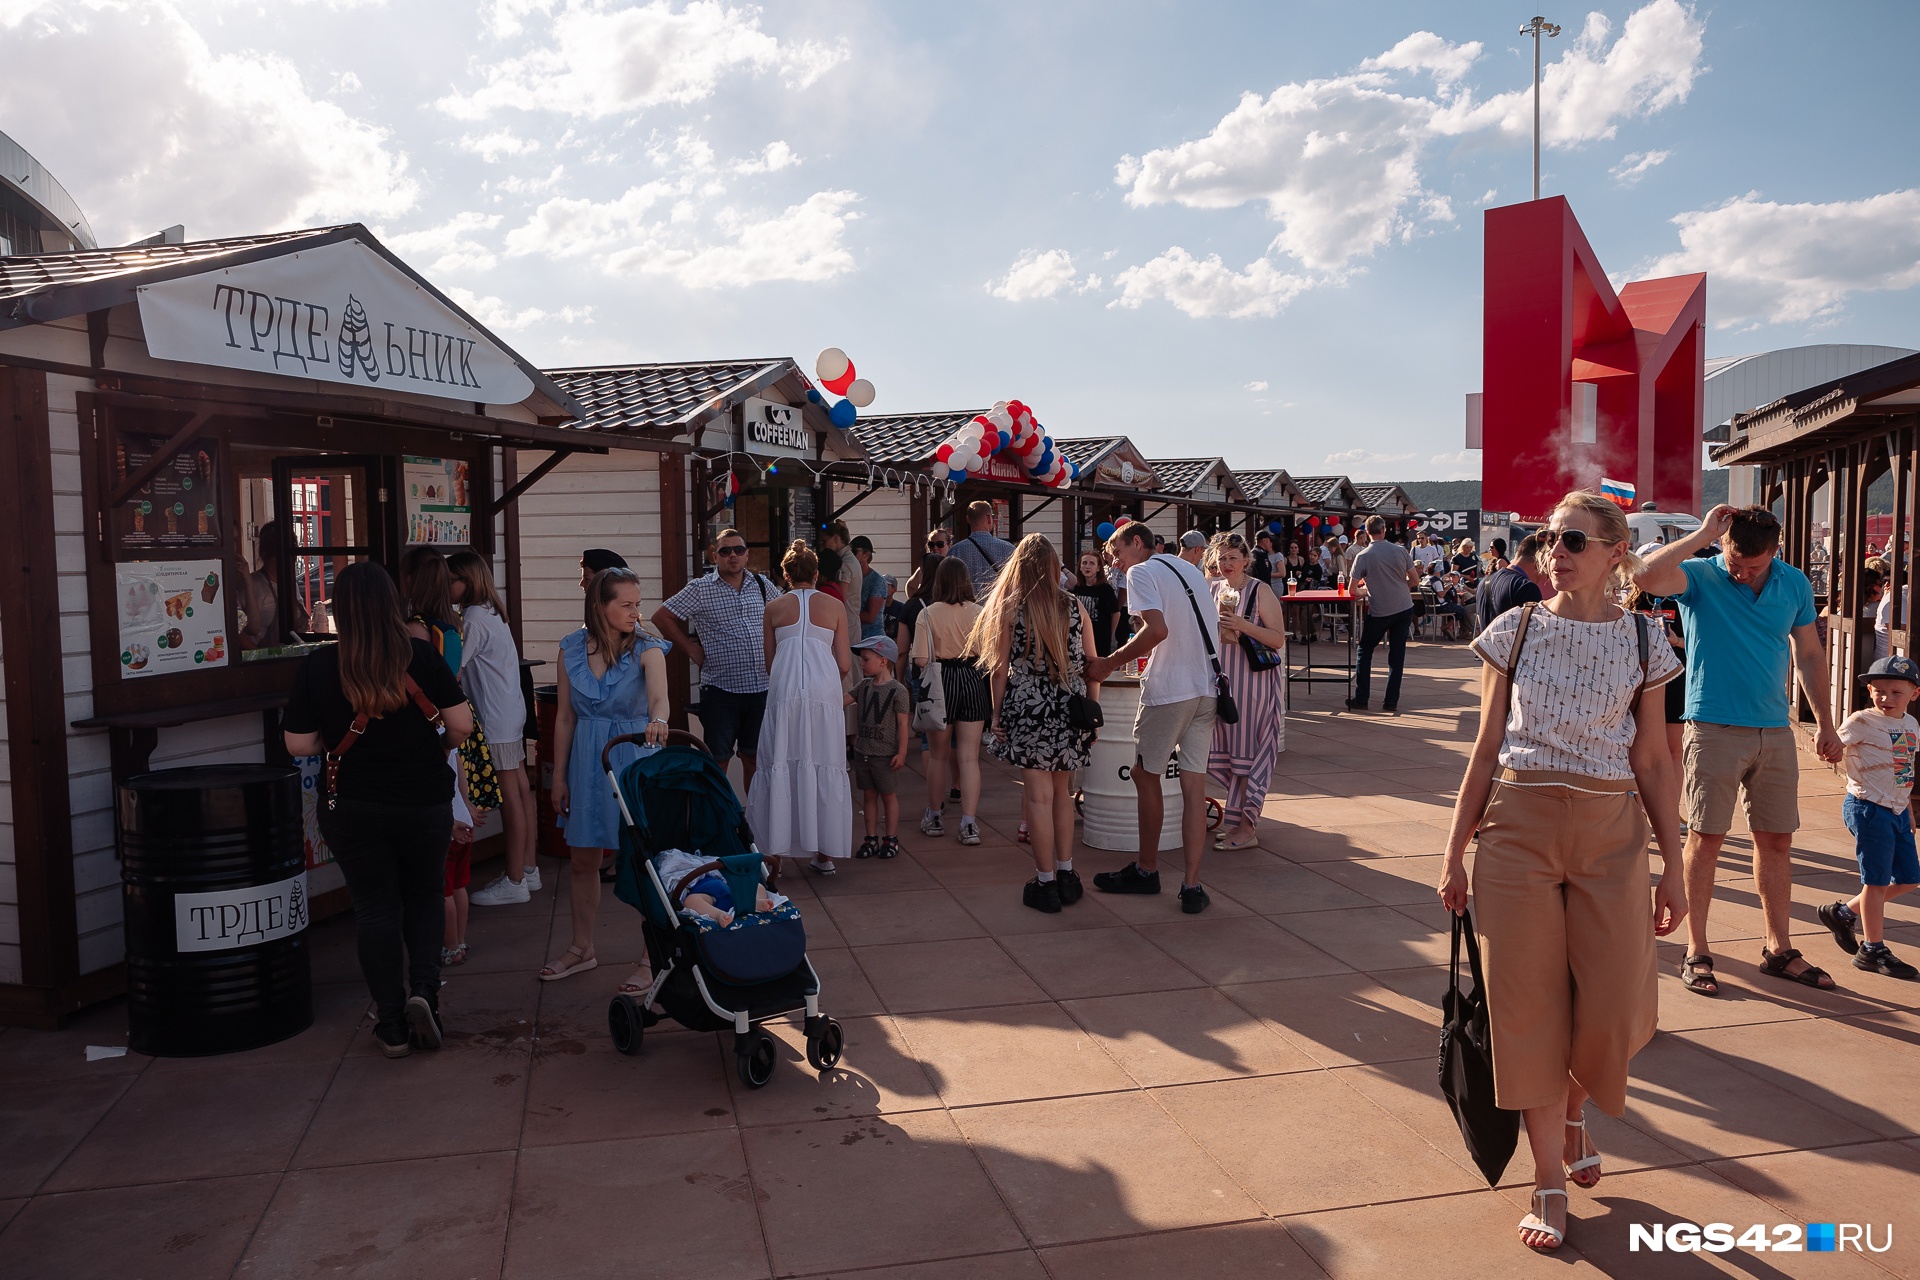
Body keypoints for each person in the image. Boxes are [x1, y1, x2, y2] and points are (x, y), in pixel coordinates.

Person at [1438, 490, 1685, 1253]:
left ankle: (1575, 1110)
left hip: (1612, 830)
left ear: (1616, 553)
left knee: (1612, 1002)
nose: (1556, 551)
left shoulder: (1647, 642)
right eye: (1548, 538)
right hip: (1517, 826)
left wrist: (1673, 866)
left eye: (1573, 539)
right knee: (1524, 1006)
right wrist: (1454, 848)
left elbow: (1652, 759)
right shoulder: (1512, 631)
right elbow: (1484, 749)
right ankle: (1547, 1177)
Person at [1633, 504, 1844, 997]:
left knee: (1776, 840)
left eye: (1753, 566)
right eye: (1735, 560)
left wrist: (1826, 724)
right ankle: (1697, 948)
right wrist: (1704, 534)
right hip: (1712, 728)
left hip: (1774, 729)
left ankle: (1778, 947)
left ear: (1776, 552)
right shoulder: (1701, 574)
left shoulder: (1792, 583)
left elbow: (1810, 654)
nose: (1741, 572)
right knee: (1706, 838)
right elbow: (1644, 575)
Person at [281, 563, 473, 1058]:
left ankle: (390, 1025)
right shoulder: (421, 655)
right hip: (424, 799)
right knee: (426, 895)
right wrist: (435, 746)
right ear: (391, 603)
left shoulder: (319, 665)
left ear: (340, 611)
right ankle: (424, 993)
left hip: (352, 805)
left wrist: (336, 739)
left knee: (374, 909)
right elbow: (462, 725)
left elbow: (299, 744)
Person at [1086, 521, 1221, 913]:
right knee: (1194, 786)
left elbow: (1156, 629)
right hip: (1207, 687)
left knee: (1147, 775)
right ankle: (1192, 885)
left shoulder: (1142, 571)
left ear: (1138, 543)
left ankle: (1147, 871)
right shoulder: (1188, 569)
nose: (1112, 557)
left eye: (1115, 548)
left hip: (1171, 689)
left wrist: (1109, 662)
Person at [546, 567, 671, 981]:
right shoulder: (571, 649)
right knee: (583, 860)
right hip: (587, 760)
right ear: (600, 606)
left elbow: (659, 701)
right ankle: (582, 948)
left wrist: (657, 720)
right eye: (626, 605)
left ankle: (651, 957)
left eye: (638, 604)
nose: (637, 612)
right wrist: (558, 777)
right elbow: (564, 718)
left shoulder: (649, 648)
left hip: (632, 757)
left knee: (643, 861)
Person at [972, 534, 1099, 912]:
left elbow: (997, 670)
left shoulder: (1011, 608)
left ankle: (1045, 883)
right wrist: (1093, 714)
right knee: (1062, 794)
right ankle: (1067, 873)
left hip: (1028, 709)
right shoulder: (1075, 605)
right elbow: (1093, 666)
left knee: (1037, 798)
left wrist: (995, 715)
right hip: (1070, 708)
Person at [748, 540, 853, 876]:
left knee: (781, 759)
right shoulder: (834, 606)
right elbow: (845, 664)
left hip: (785, 689)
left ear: (786, 574)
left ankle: (774, 852)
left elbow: (769, 662)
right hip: (824, 692)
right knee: (824, 760)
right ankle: (824, 853)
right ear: (817, 573)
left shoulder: (774, 607)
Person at [652, 528, 782, 794]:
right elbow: (661, 617)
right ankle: (718, 824)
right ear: (715, 556)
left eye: (738, 550)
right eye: (725, 551)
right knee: (716, 761)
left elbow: (784, 617)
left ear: (747, 555)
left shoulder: (761, 584)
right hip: (721, 691)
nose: (732, 556)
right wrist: (690, 648)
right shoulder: (700, 588)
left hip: (761, 688)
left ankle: (752, 825)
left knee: (754, 759)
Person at [1814, 655, 1920, 980]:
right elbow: (1834, 744)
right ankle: (1872, 949)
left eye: (1895, 692)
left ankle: (1843, 912)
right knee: (1875, 882)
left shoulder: (1911, 725)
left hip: (1898, 811)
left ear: (1914, 694)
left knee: (1908, 879)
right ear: (1870, 690)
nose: (1886, 698)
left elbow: (1905, 772)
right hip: (1868, 807)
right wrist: (1830, 748)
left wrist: (1910, 813)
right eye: (1879, 691)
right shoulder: (1861, 720)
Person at [450, 551, 540, 910]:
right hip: (510, 711)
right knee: (520, 788)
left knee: (510, 797)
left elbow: (453, 669)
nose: (446, 587)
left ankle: (515, 879)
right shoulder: (491, 610)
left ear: (466, 582)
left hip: (494, 715)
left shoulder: (472, 617)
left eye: (450, 580)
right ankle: (528, 869)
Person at [1206, 533, 1287, 850]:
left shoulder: (1259, 590)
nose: (1226, 563)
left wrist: (1241, 624)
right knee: (1229, 754)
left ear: (1245, 560)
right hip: (1224, 683)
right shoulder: (1214, 588)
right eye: (1221, 557)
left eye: (1232, 557)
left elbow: (1277, 638)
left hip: (1254, 685)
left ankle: (1248, 828)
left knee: (1249, 755)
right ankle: (1236, 822)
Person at [911, 557, 989, 842]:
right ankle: (969, 823)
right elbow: (988, 654)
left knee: (938, 756)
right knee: (969, 758)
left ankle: (934, 816)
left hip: (940, 681)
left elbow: (920, 659)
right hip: (971, 679)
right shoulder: (980, 612)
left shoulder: (928, 613)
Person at [1346, 514, 1421, 714]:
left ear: (1367, 532)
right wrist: (1398, 585)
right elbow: (1415, 580)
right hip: (1404, 607)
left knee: (1365, 651)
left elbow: (1352, 589)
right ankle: (1391, 702)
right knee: (1397, 656)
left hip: (1380, 611)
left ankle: (1362, 698)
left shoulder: (1363, 556)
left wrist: (1368, 591)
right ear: (1384, 530)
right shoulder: (1400, 551)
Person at [847, 635, 910, 860]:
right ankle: (870, 838)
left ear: (883, 661)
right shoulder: (863, 686)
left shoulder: (898, 690)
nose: (862, 664)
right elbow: (842, 699)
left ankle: (891, 838)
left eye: (866, 659)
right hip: (863, 751)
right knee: (869, 796)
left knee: (888, 796)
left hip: (885, 755)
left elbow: (903, 724)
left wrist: (902, 752)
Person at [1477, 534, 1548, 633]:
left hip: (1489, 647)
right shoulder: (1526, 587)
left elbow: (1480, 620)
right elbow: (1537, 634)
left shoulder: (1484, 582)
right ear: (1539, 563)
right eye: (1547, 567)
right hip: (1515, 648)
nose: (1546, 575)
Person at [950, 500, 1015, 597]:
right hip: (996, 608)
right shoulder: (1008, 549)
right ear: (989, 518)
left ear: (968, 519)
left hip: (966, 609)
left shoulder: (955, 551)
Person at [1071, 549, 1121, 656]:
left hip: (1100, 638)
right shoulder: (1078, 588)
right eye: (1084, 563)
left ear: (1098, 568)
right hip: (1079, 637)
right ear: (1080, 567)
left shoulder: (1105, 589)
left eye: (1092, 563)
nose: (1087, 566)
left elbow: (1116, 613)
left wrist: (1110, 635)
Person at [851, 535, 887, 641]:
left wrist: (845, 612)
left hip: (872, 639)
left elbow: (870, 617)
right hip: (855, 636)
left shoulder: (877, 580)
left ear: (866, 555)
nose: (850, 556)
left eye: (854, 552)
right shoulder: (848, 577)